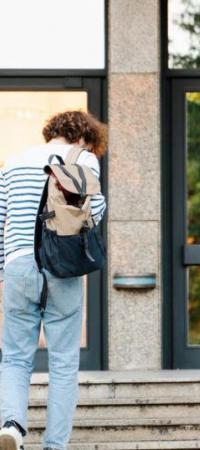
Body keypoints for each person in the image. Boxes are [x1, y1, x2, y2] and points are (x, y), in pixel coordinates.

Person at [0, 111, 107, 450]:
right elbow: (96, 209)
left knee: (15, 357)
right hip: (62, 266)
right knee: (63, 361)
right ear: (82, 137)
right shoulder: (84, 158)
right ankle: (54, 445)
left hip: (18, 264)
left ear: (53, 132)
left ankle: (12, 427)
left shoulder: (13, 163)